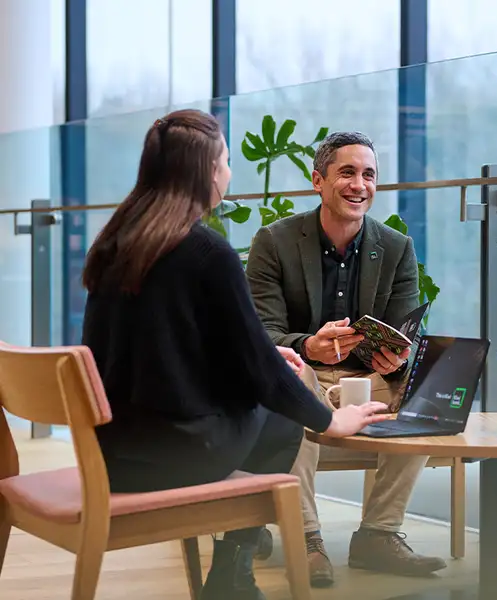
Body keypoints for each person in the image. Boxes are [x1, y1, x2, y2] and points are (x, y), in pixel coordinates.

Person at [80, 111, 389, 600]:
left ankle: (233, 575)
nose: (229, 172)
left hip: (110, 452)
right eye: (225, 161)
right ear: (205, 171)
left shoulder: (118, 242)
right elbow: (262, 377)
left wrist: (265, 358)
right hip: (171, 456)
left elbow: (165, 351)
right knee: (282, 415)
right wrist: (331, 420)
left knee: (269, 387)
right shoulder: (206, 252)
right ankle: (232, 574)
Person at [246, 131, 447, 587]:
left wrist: (396, 361)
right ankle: (308, 540)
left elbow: (404, 336)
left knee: (424, 389)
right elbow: (263, 334)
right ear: (318, 180)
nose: (360, 184)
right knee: (293, 376)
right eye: (347, 173)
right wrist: (307, 347)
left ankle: (378, 534)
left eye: (369, 174)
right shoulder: (274, 241)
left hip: (362, 384)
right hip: (302, 377)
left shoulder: (396, 248)